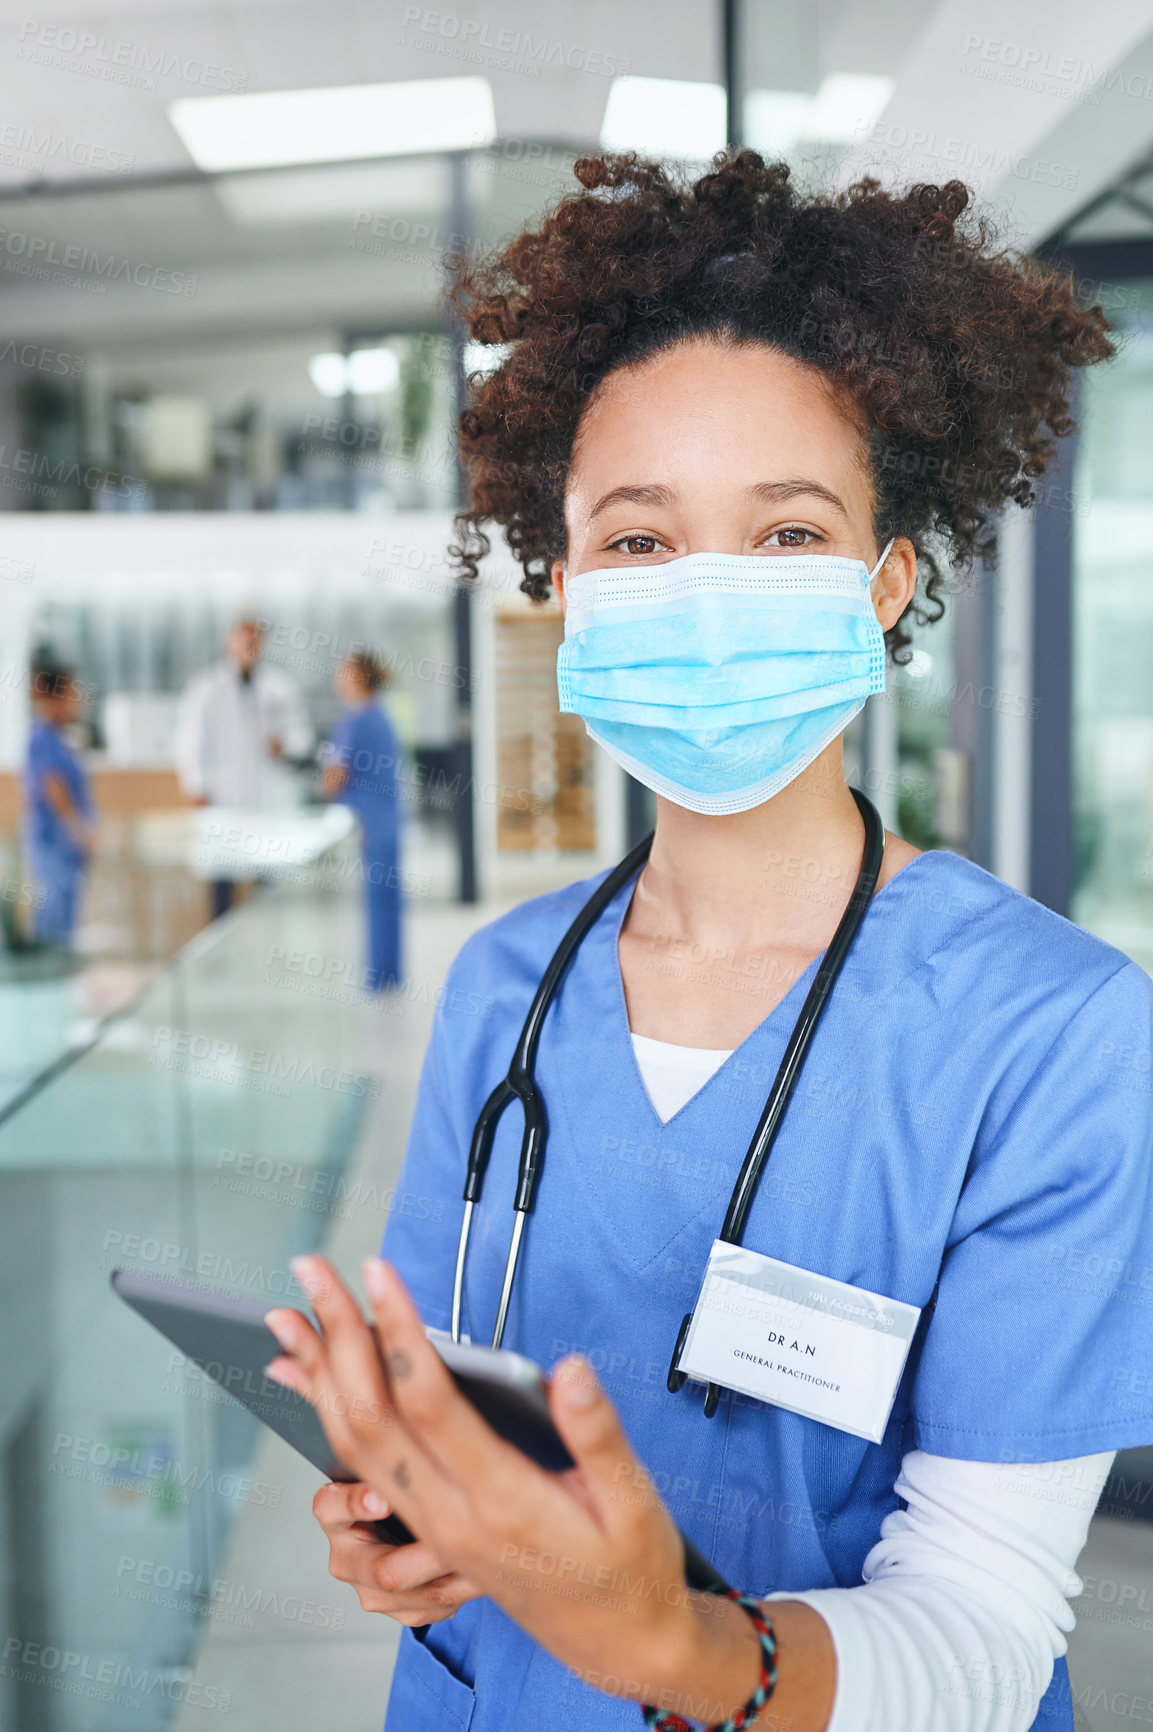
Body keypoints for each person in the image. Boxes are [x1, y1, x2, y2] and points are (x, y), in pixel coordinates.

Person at [261, 155, 1153, 1732]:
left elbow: (990, 1630)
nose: (709, 594)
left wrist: (670, 1650)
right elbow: (435, 1411)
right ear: (562, 586)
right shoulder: (502, 991)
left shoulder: (1055, 1035)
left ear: (888, 589)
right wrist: (406, 1524)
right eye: (640, 541)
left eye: (789, 533)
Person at [174, 616, 313, 918]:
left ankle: (265, 952)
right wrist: (196, 786)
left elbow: (302, 737)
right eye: (245, 637)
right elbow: (190, 744)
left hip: (266, 798)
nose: (251, 644)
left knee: (268, 885)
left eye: (257, 638)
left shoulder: (280, 688)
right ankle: (220, 958)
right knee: (223, 883)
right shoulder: (206, 688)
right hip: (223, 798)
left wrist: (285, 745)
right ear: (230, 640)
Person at [321, 650, 403, 992]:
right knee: (388, 901)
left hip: (368, 822)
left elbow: (334, 777)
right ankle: (389, 975)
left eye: (344, 673)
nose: (338, 679)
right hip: (388, 819)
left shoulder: (353, 722)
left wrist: (320, 784)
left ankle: (376, 979)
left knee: (375, 901)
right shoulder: (382, 717)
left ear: (359, 678)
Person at [22, 655, 95, 947]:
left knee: (64, 922)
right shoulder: (41, 738)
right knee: (52, 921)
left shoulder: (58, 738)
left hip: (65, 849)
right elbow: (54, 790)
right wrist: (81, 831)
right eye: (70, 692)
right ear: (54, 695)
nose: (76, 699)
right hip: (54, 845)